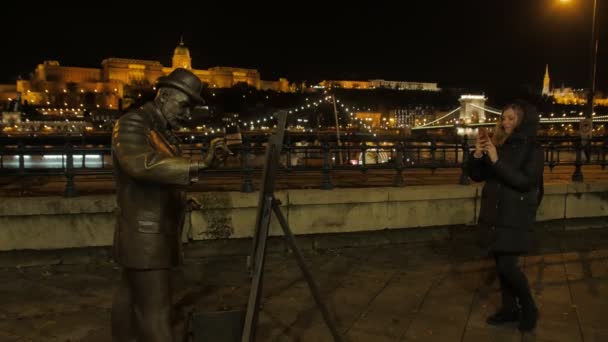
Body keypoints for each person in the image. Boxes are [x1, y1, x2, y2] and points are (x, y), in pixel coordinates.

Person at [110, 68, 227, 341]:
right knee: (157, 314)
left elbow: (157, 178)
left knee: (130, 300)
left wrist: (181, 200)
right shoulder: (132, 123)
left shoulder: (158, 130)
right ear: (163, 97)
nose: (186, 115)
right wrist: (200, 164)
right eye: (184, 106)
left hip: (147, 232)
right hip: (146, 235)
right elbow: (140, 164)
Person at [468, 101, 544, 332]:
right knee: (501, 265)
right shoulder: (500, 143)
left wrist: (496, 160)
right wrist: (478, 155)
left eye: (511, 118)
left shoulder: (533, 149)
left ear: (522, 121)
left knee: (508, 266)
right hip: (495, 212)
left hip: (515, 213)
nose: (504, 122)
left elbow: (524, 182)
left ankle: (529, 307)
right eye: (503, 117)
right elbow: (477, 176)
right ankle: (509, 309)